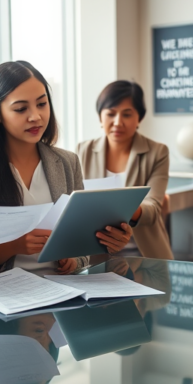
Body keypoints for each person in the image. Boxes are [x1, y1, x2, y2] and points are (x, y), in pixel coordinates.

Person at [0, 61, 101, 277]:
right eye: (21, 108)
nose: (35, 116)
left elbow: (81, 244)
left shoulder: (67, 162)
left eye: (42, 104)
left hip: (60, 292)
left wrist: (73, 260)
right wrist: (12, 246)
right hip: (1, 299)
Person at [76, 80, 173, 259]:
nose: (118, 122)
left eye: (127, 114)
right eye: (111, 114)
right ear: (100, 117)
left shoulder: (157, 152)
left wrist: (120, 206)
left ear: (139, 118)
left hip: (145, 256)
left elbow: (153, 209)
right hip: (95, 256)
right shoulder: (82, 151)